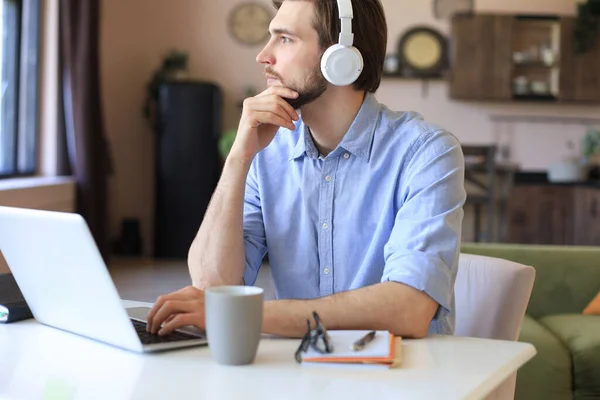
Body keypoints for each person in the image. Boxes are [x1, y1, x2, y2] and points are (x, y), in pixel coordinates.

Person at [146, 0, 466, 339]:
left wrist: (246, 314)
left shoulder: (426, 153)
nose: (263, 56)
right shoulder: (268, 154)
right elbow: (212, 287)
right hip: (302, 374)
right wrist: (239, 157)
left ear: (340, 58)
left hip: (402, 380)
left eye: (284, 38)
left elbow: (409, 308)